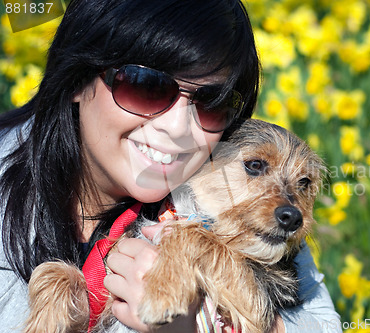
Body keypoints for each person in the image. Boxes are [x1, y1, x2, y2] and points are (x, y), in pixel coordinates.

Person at [0, 0, 342, 332]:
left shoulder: (238, 209)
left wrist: (198, 325)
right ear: (76, 79)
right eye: (145, 85)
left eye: (212, 101)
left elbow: (321, 323)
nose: (178, 127)